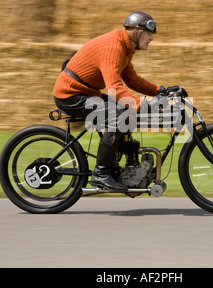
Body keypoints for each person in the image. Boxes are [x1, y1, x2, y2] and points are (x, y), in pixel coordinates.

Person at [53, 11, 168, 192]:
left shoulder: (125, 48)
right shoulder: (114, 47)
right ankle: (101, 173)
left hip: (87, 92)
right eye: (149, 33)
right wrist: (142, 105)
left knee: (128, 112)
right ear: (136, 32)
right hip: (70, 94)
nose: (151, 38)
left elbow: (131, 79)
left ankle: (120, 165)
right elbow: (114, 90)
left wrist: (159, 90)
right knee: (120, 116)